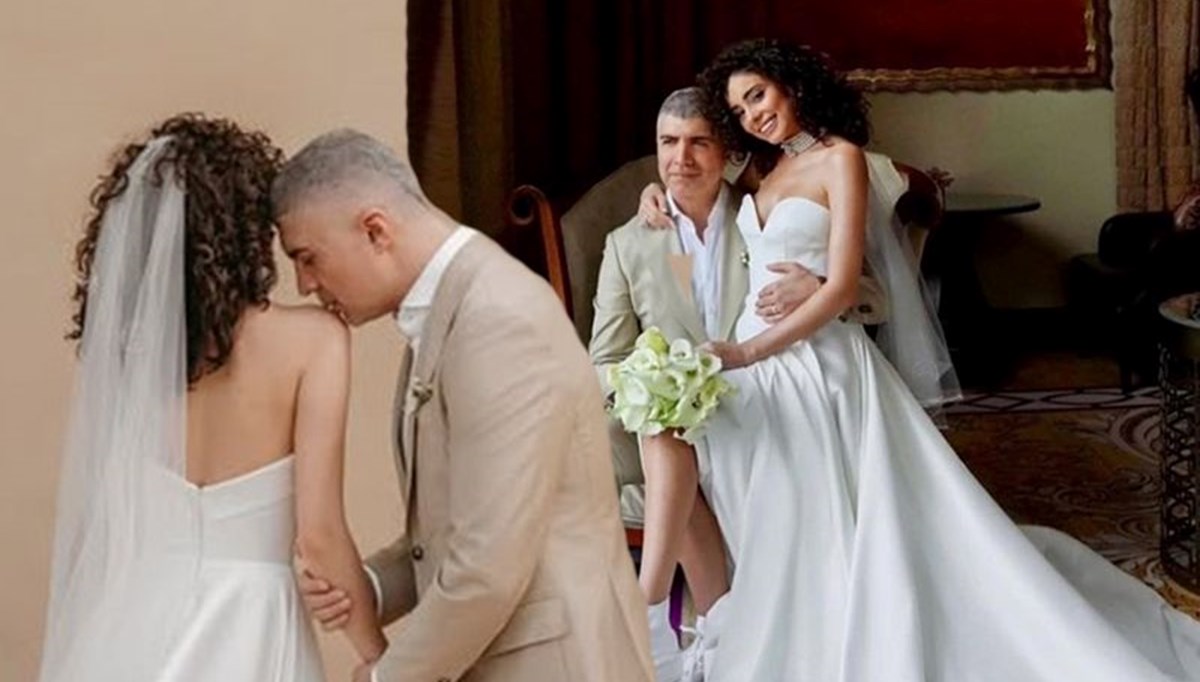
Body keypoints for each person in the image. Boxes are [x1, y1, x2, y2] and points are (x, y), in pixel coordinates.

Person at [653, 38, 1200, 681]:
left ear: (790, 84)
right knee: (765, 496)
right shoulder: (759, 170)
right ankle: (767, 616)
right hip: (755, 359)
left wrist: (752, 345)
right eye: (739, 110)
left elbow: (844, 288)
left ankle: (827, 630)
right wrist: (651, 195)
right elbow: (694, 193)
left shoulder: (841, 159)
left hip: (816, 362)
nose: (752, 115)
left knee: (837, 513)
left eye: (758, 96)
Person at [273, 129, 654, 682]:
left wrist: (386, 678)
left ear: (375, 230)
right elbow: (457, 527)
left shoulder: (495, 317)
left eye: (307, 258)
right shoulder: (449, 309)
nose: (304, 284)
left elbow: (488, 566)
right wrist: (367, 589)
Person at [39, 115, 384, 682]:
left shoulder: (135, 360)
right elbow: (319, 537)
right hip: (250, 629)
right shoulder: (314, 339)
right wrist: (380, 656)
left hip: (127, 624)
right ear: (246, 229)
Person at [589, 86, 887, 681]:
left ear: (726, 150)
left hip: (764, 388)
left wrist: (817, 284)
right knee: (664, 423)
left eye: (698, 142)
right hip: (681, 412)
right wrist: (650, 387)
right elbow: (606, 359)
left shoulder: (762, 207)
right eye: (668, 143)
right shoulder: (629, 243)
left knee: (672, 432)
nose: (681, 159)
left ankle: (677, 620)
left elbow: (872, 294)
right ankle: (700, 623)